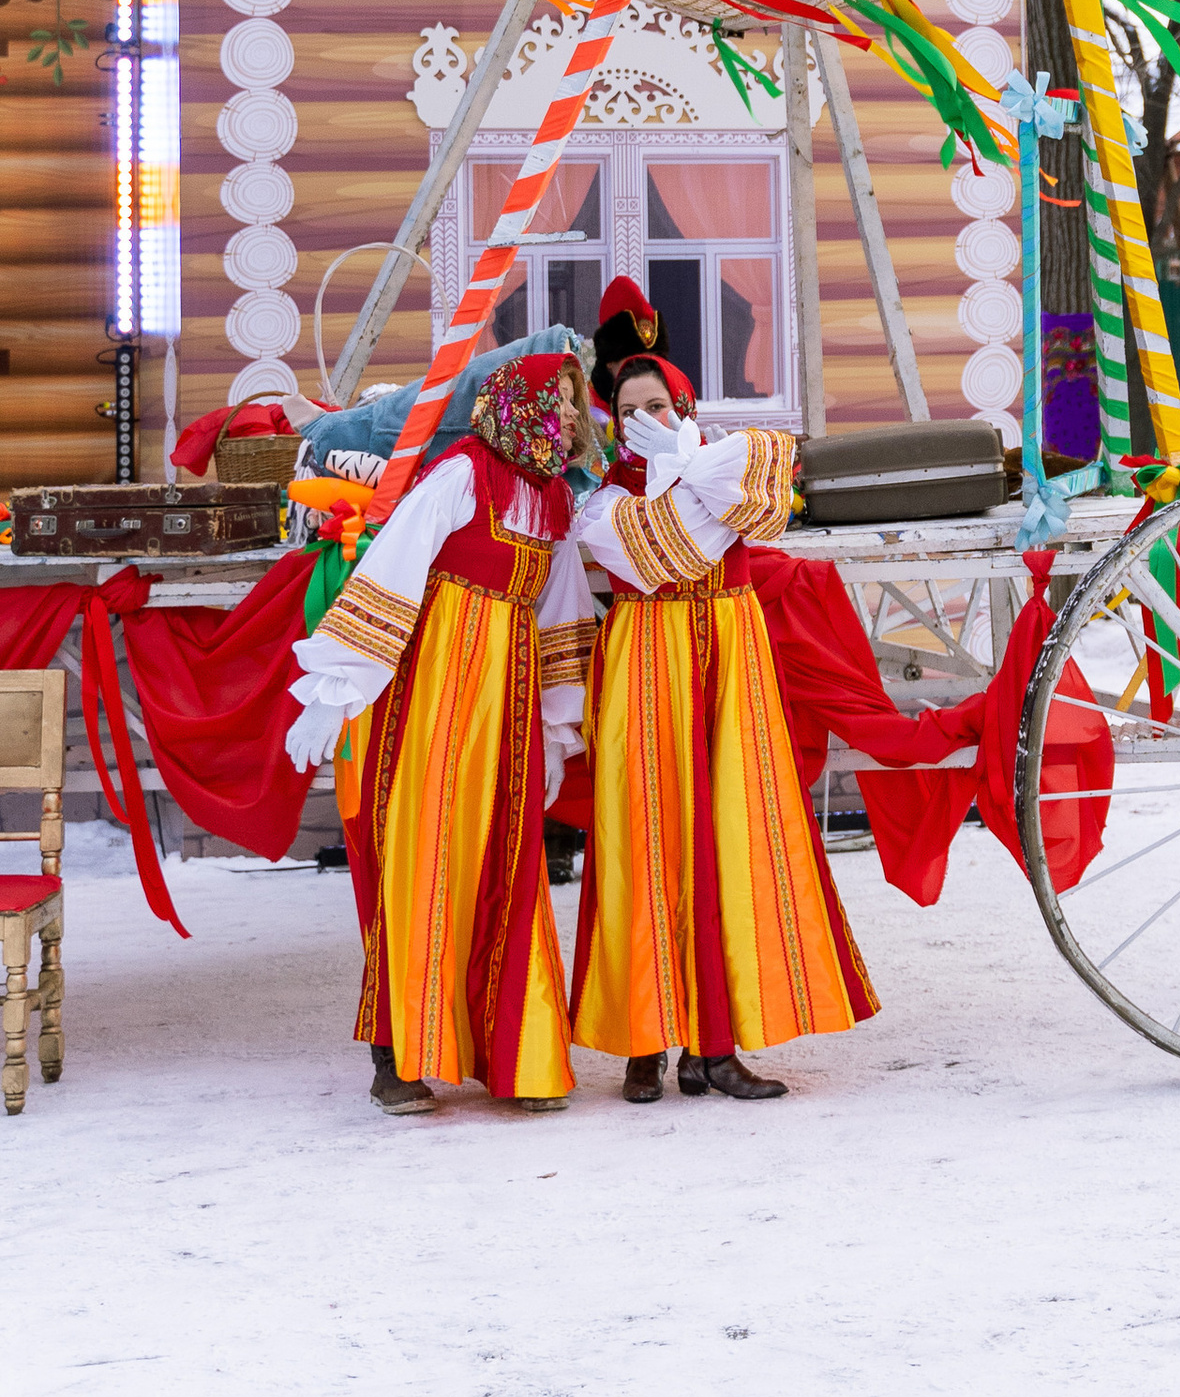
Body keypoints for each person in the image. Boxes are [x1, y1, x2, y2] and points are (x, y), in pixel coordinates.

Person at [569, 281, 879, 1102]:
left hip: (729, 660)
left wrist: (690, 463)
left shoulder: (732, 453)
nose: (648, 423)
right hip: (648, 663)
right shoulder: (599, 502)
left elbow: (768, 507)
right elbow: (662, 554)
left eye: (661, 407)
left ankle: (716, 1044)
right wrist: (698, 482)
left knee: (728, 840)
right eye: (632, 412)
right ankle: (643, 1042)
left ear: (685, 402)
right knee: (646, 838)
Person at [288, 350, 599, 1115]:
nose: (563, 417)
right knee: (425, 857)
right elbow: (389, 572)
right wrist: (334, 688)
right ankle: (395, 1054)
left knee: (506, 862)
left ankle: (516, 1054)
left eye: (571, 404)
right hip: (436, 689)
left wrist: (559, 728)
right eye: (552, 401)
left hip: (512, 695)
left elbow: (561, 610)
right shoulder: (462, 472)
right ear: (514, 405)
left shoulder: (554, 499)